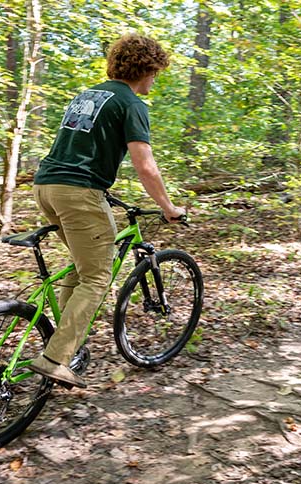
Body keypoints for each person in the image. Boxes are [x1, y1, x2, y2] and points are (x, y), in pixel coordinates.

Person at [28, 34, 185, 388]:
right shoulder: (131, 103)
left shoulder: (88, 95)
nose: (155, 80)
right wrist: (168, 208)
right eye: (155, 72)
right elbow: (145, 166)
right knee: (98, 277)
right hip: (78, 194)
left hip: (46, 186)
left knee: (83, 267)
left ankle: (63, 338)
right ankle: (55, 358)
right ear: (145, 68)